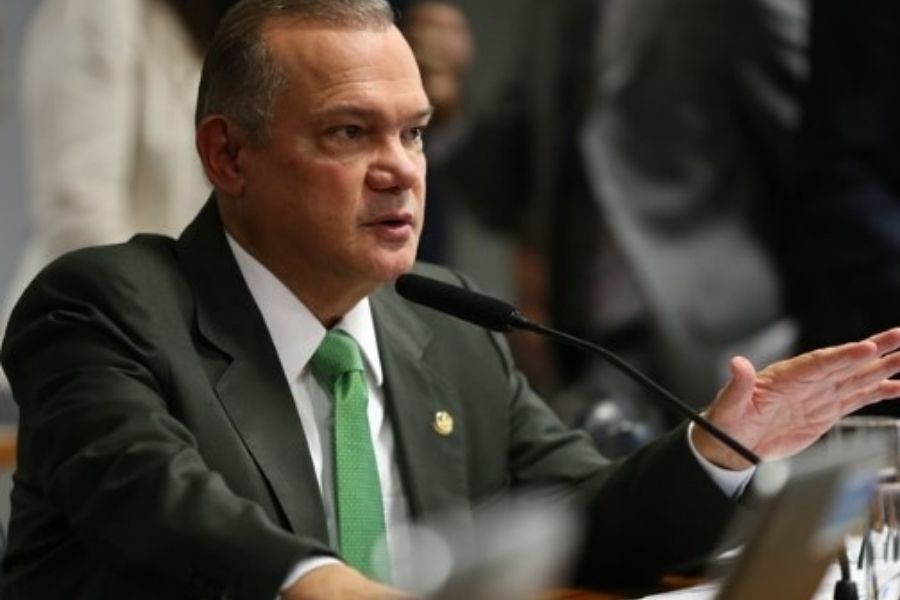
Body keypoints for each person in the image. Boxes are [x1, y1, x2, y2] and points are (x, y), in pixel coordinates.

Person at [2, 1, 900, 598]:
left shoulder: (448, 323)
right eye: (350, 132)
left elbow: (586, 516)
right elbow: (162, 504)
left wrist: (720, 447)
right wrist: (327, 586)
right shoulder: (101, 310)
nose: (399, 169)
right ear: (229, 156)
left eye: (415, 133)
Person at [0, 0, 238, 391]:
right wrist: (169, 348)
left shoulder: (208, 25)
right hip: (98, 351)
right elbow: (79, 215)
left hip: (188, 360)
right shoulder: (98, 11)